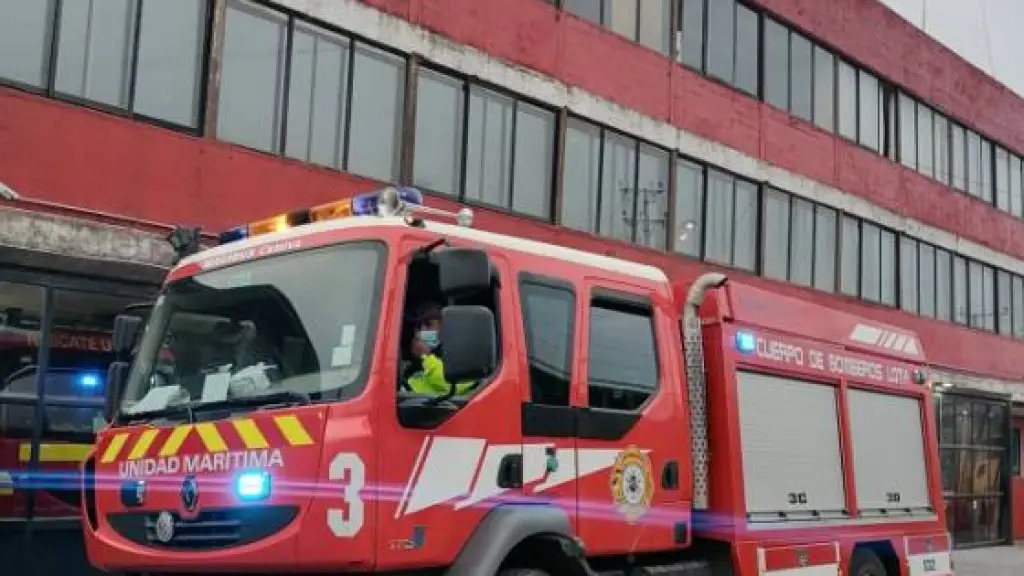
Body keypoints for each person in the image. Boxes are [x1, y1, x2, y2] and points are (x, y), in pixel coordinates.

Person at [405, 302, 475, 397]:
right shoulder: (416, 366)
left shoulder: (465, 359)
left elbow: (448, 384)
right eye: (418, 326)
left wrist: (426, 357)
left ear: (445, 328)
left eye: (428, 324)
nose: (422, 330)